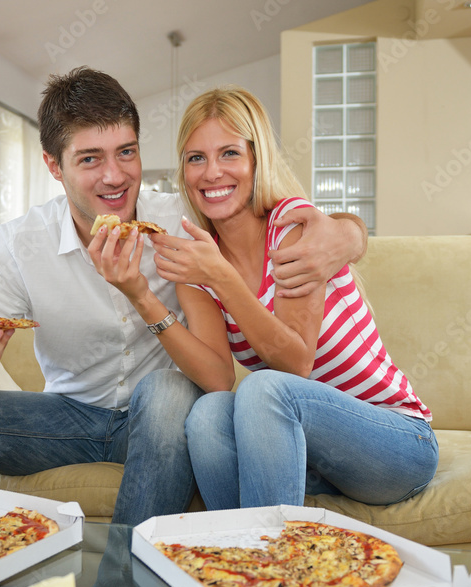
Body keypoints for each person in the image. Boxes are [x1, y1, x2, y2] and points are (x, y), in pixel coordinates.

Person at [0, 69, 368, 587]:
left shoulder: (181, 225)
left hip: (159, 421)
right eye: (90, 158)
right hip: (68, 416)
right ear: (54, 165)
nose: (115, 176)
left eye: (127, 152)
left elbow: (219, 375)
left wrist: (350, 231)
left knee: (167, 391)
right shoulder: (21, 244)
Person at [97, 85, 438, 513]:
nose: (212, 173)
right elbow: (218, 378)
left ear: (257, 160)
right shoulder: (199, 261)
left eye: (230, 154)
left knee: (263, 388)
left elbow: (296, 364)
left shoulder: (292, 226)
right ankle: (239, 558)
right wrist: (142, 296)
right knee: (208, 413)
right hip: (313, 454)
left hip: (395, 442)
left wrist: (223, 278)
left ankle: (267, 557)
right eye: (196, 158)